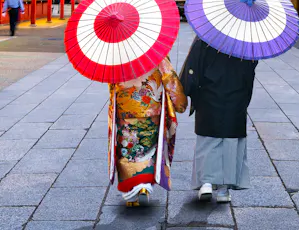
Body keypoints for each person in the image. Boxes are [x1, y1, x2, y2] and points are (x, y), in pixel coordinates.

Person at [180, 37, 258, 204]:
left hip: (209, 93)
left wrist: (189, 90)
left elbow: (193, 66)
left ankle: (206, 183)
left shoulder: (207, 36)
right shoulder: (246, 38)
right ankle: (224, 190)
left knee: (208, 139)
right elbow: (251, 68)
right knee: (230, 141)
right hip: (236, 94)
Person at [109, 56, 187, 206]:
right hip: (151, 108)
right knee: (148, 148)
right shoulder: (156, 52)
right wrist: (180, 102)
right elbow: (169, 78)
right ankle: (144, 186)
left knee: (128, 149)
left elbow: (112, 84)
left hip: (126, 110)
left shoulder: (117, 54)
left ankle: (131, 193)